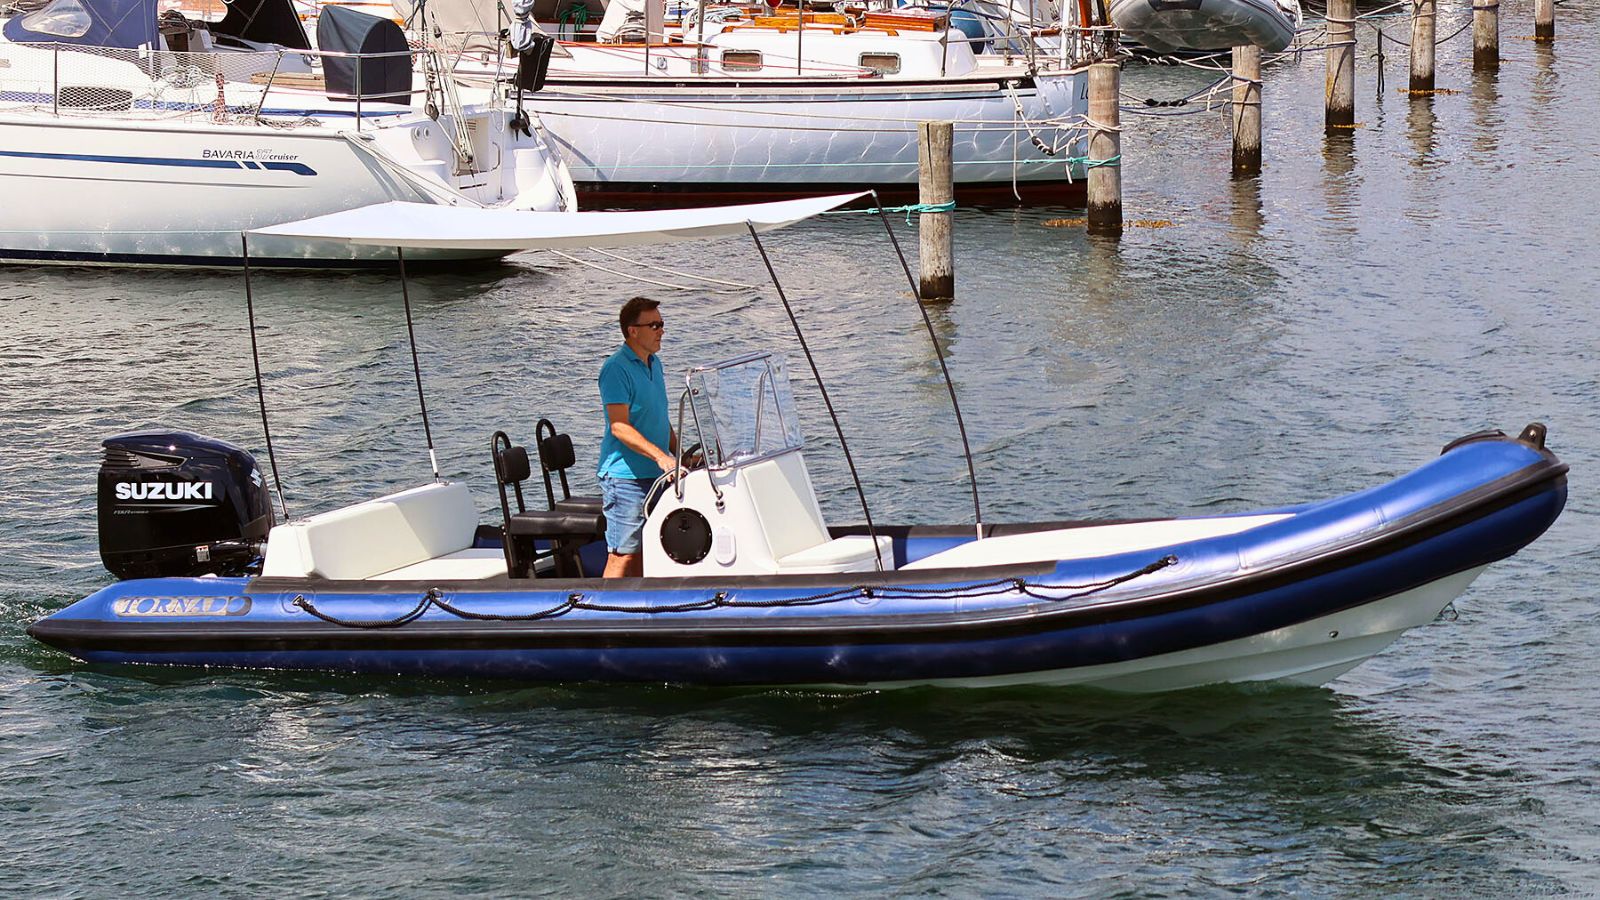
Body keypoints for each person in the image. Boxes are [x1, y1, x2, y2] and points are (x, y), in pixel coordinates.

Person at [597, 297, 679, 578]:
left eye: (662, 324)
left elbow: (659, 415)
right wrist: (661, 457)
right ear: (633, 330)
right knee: (625, 554)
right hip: (626, 479)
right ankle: (601, 615)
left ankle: (640, 612)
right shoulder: (615, 369)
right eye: (654, 325)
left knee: (653, 549)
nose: (661, 330)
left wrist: (678, 454)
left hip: (657, 476)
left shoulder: (655, 364)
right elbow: (619, 426)